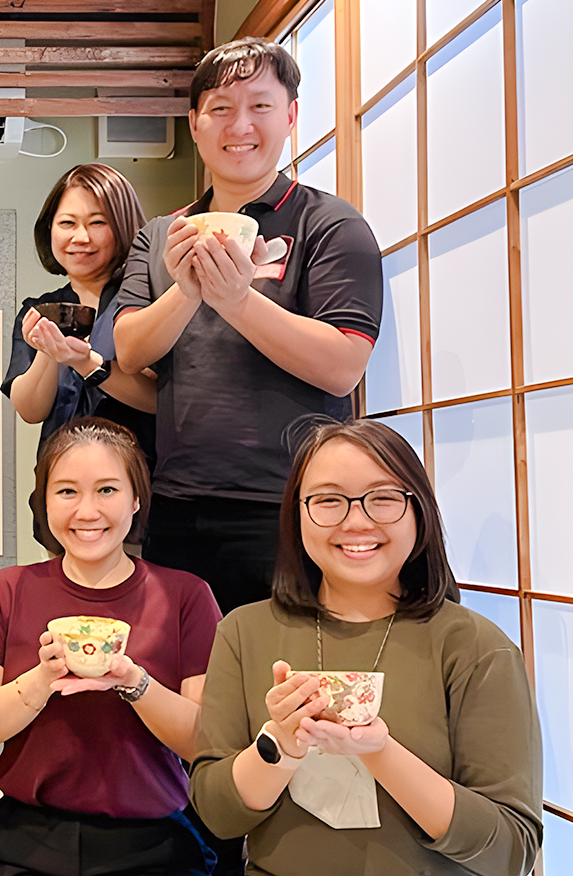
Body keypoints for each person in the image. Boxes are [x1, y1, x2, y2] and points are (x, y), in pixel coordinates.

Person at [185, 419, 541, 876]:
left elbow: (510, 850)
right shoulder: (245, 632)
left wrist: (379, 750)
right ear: (296, 513)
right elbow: (219, 814)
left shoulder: (475, 645)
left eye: (383, 498)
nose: (356, 520)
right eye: (328, 501)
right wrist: (280, 745)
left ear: (418, 511)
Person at [109, 40, 383, 615]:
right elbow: (129, 350)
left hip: (295, 504)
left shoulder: (329, 224)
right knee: (193, 689)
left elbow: (342, 368)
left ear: (290, 117)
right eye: (220, 108)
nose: (241, 125)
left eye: (260, 106)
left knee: (288, 685)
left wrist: (236, 301)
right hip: (178, 501)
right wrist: (186, 290)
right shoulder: (160, 234)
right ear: (194, 123)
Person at [0, 418, 221, 876]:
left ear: (135, 499)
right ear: (43, 500)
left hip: (150, 848)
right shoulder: (11, 588)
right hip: (25, 844)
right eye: (66, 490)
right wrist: (43, 679)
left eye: (107, 490)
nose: (86, 509)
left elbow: (206, 741)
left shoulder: (185, 595)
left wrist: (134, 681)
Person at [4, 164, 159, 464]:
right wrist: (50, 348)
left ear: (123, 226)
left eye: (97, 222)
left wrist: (84, 362)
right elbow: (30, 410)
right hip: (62, 479)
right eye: (67, 223)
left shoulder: (147, 300)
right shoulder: (39, 309)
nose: (80, 237)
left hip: (137, 483)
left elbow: (162, 400)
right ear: (49, 229)